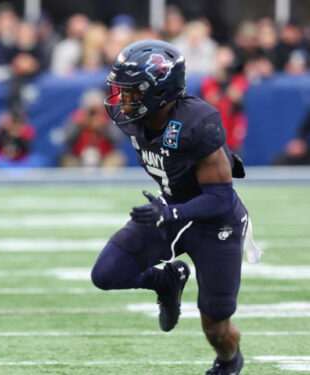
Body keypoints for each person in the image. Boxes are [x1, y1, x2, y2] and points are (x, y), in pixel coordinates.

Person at [90, 40, 261, 375]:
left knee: (216, 327)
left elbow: (222, 198)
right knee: (106, 274)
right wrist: (169, 211)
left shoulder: (199, 121)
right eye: (120, 90)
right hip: (171, 208)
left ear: (160, 92)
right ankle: (166, 282)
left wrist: (170, 214)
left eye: (132, 92)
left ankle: (229, 364)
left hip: (217, 224)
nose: (122, 100)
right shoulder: (131, 119)